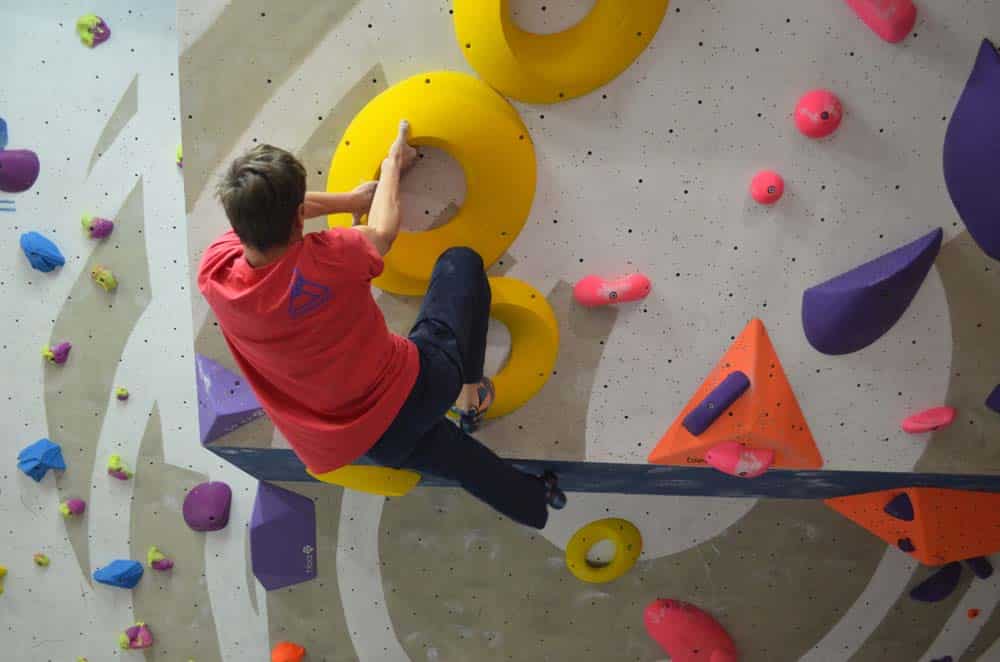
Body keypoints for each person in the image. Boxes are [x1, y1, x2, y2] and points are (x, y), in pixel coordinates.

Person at [197, 121, 565, 529]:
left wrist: (350, 199)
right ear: (299, 214)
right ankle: (469, 388)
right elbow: (384, 230)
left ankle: (535, 503)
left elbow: (273, 213)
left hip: (359, 439)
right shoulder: (334, 257)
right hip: (420, 384)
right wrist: (393, 163)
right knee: (460, 262)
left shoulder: (215, 273)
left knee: (459, 460)